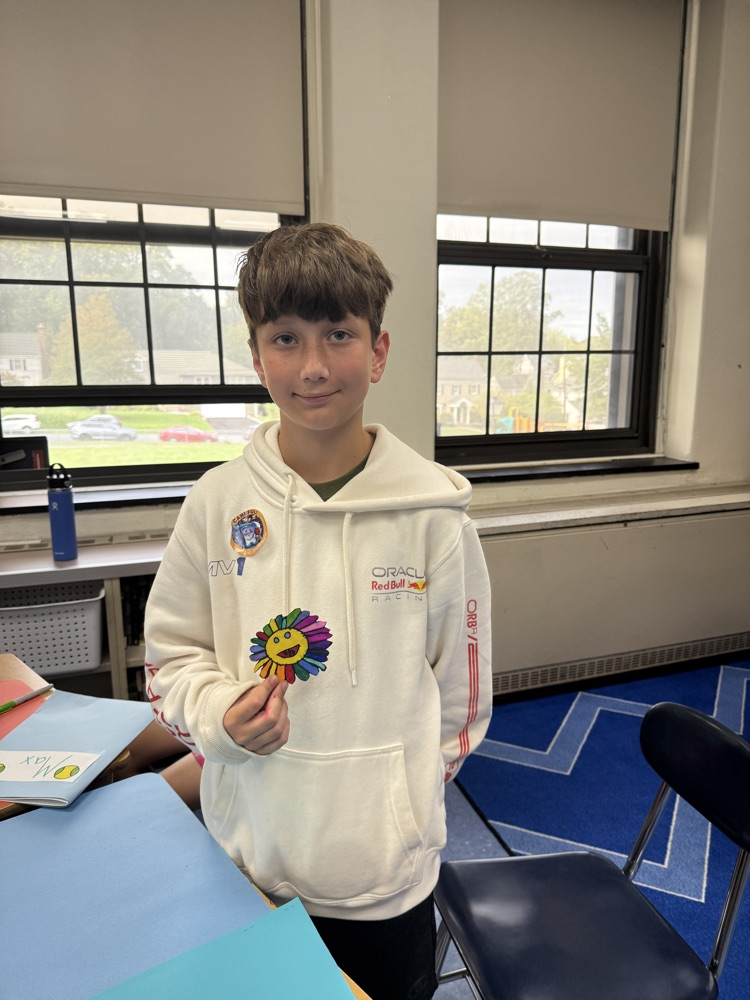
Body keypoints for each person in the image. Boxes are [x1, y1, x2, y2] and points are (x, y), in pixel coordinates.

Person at [143, 222, 492, 1000]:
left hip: (383, 882)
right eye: (285, 338)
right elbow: (169, 659)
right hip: (246, 859)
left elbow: (463, 697)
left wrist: (395, 807)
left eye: (338, 335)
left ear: (378, 351)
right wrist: (220, 718)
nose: (312, 367)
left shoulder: (435, 513)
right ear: (256, 351)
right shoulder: (217, 503)